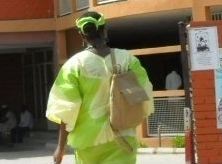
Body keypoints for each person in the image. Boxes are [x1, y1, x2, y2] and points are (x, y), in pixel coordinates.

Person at [46, 11, 154, 164]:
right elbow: (144, 97)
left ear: (82, 36)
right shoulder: (128, 59)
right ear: (104, 31)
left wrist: (60, 147)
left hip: (89, 142)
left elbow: (66, 110)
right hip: (123, 137)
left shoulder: (74, 65)